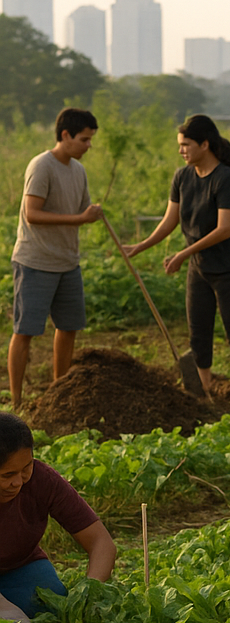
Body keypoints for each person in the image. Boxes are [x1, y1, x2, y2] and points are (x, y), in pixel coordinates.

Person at [124, 114, 230, 416]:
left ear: (205, 144)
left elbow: (224, 228)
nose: (181, 150)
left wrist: (183, 254)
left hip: (229, 266)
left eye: (186, 144)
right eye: (180, 145)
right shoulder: (182, 177)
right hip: (200, 266)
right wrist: (142, 246)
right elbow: (170, 220)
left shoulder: (226, 179)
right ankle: (202, 393)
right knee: (198, 331)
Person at [7, 107, 103, 408]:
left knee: (69, 327)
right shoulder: (42, 166)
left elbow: (82, 209)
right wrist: (80, 220)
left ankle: (58, 390)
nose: (89, 146)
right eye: (85, 139)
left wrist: (91, 214)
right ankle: (17, 400)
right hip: (36, 261)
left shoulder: (78, 170)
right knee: (25, 331)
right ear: (65, 135)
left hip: (67, 262)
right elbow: (32, 214)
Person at [0, 411, 116, 623]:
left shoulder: (42, 480)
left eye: (26, 468)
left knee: (56, 613)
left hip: (19, 566)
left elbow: (101, 542)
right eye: (7, 475)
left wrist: (89, 591)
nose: (18, 482)